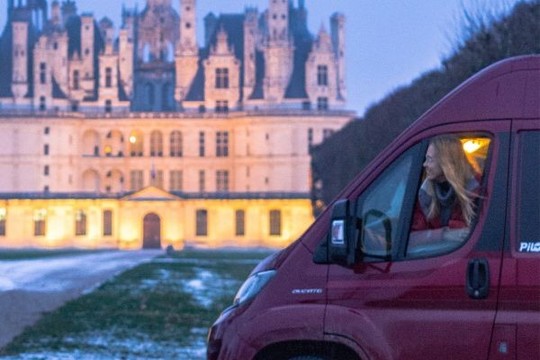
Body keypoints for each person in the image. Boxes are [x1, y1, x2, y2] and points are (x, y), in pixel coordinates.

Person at [409, 135, 480, 246]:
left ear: (446, 162)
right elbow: (411, 238)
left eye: (429, 160)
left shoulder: (478, 189)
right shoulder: (424, 194)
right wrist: (444, 234)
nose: (424, 164)